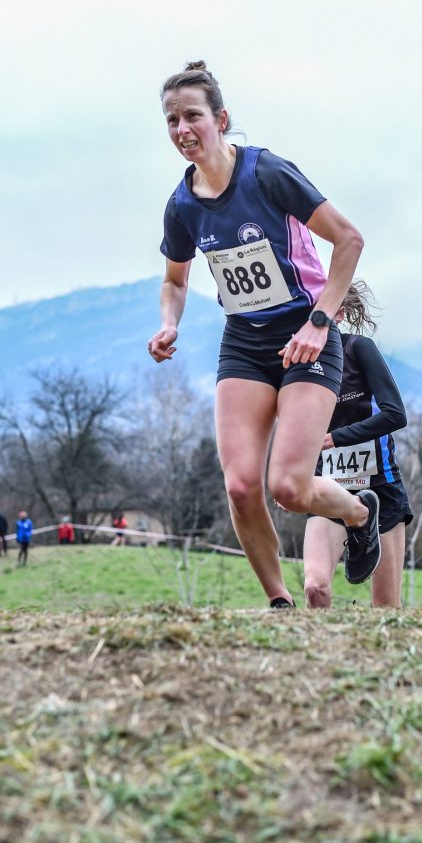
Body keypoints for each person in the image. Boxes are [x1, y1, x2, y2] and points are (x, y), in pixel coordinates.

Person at [148, 61, 378, 608]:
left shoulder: (267, 173)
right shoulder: (181, 206)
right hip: (245, 344)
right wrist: (169, 322)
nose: (182, 129)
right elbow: (174, 280)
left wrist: (320, 322)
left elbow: (349, 240)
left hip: (306, 336)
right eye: (172, 119)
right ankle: (279, 602)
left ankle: (358, 513)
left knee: (289, 488)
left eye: (193, 115)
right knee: (240, 485)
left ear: (221, 119)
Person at [302, 282, 412, 609]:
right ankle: (319, 644)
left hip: (380, 488)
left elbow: (395, 415)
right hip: (329, 489)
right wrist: (289, 479)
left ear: (340, 314)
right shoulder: (299, 361)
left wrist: (335, 438)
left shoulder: (358, 349)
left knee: (386, 608)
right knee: (315, 588)